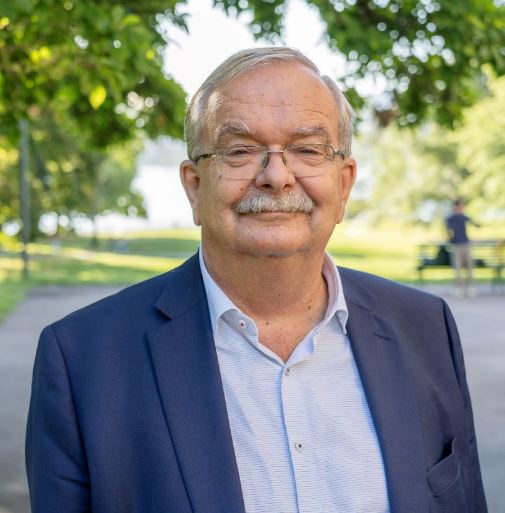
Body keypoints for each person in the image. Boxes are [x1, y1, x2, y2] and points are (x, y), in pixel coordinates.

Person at [26, 48, 487, 513]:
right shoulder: (83, 360)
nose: (276, 176)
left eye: (307, 149)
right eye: (240, 151)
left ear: (344, 184)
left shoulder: (425, 329)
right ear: (194, 186)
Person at [446, 199, 480, 297]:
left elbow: (475, 224)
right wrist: (451, 239)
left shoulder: (463, 217)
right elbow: (448, 231)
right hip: (457, 245)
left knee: (470, 266)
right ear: (455, 207)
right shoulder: (451, 218)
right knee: (457, 267)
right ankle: (459, 288)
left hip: (466, 244)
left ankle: (470, 287)